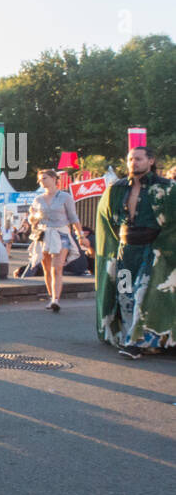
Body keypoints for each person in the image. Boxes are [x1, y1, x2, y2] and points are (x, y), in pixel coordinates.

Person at [96, 146, 176, 358]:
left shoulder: (168, 188)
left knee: (143, 293)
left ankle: (135, 343)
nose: (134, 162)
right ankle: (136, 338)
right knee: (125, 295)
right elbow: (106, 218)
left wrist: (165, 248)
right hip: (125, 252)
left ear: (151, 161)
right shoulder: (117, 188)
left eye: (138, 159)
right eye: (131, 159)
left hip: (152, 252)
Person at [29, 169, 90, 312]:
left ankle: (56, 299)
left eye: (44, 178)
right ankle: (52, 298)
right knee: (46, 268)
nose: (41, 182)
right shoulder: (38, 199)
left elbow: (73, 217)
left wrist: (80, 235)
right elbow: (32, 218)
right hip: (44, 233)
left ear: (53, 179)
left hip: (61, 232)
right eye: (40, 179)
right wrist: (33, 218)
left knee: (57, 267)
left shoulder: (65, 197)